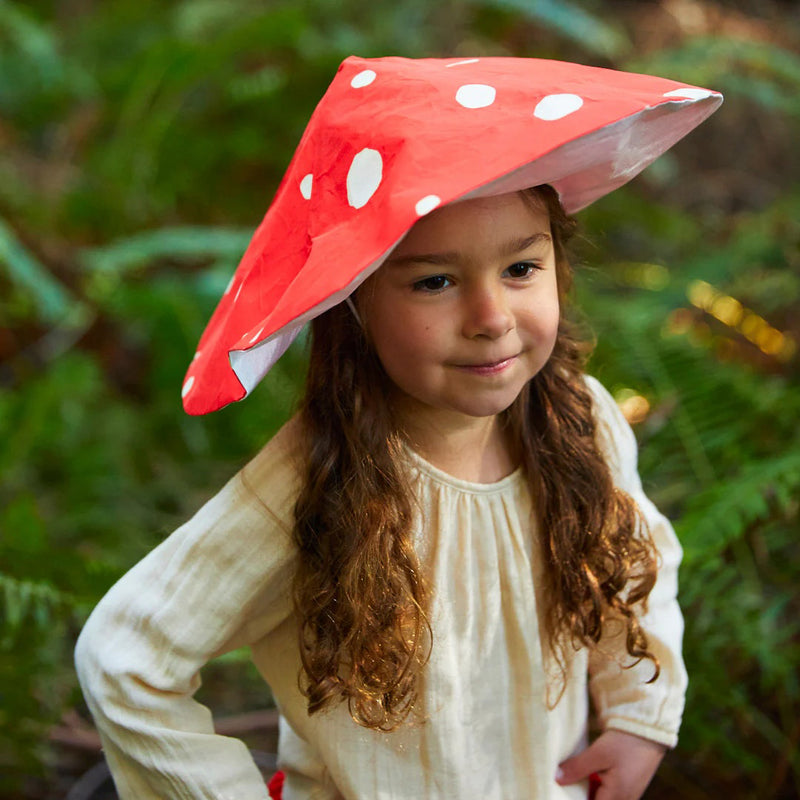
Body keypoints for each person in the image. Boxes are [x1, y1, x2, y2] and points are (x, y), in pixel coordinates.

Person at [75, 56, 722, 799]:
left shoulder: (580, 421)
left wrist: (641, 718)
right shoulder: (314, 479)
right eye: (434, 282)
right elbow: (127, 658)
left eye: (520, 268)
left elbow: (632, 567)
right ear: (352, 303)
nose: (491, 319)